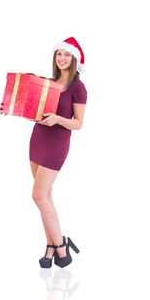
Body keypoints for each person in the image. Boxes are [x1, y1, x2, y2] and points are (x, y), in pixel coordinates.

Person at [31, 37, 88, 268]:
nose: (62, 58)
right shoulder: (49, 82)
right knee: (45, 197)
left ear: (73, 58)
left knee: (38, 195)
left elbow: (78, 123)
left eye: (66, 54)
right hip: (38, 139)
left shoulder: (78, 87)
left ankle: (61, 243)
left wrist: (57, 120)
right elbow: (39, 109)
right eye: (58, 54)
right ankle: (51, 244)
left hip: (57, 143)